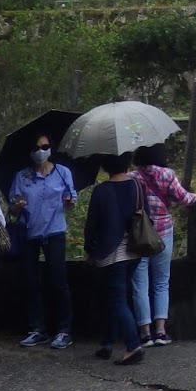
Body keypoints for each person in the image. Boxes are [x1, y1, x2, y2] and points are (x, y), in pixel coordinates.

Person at [10, 131, 78, 350]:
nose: (41, 152)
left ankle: (64, 329)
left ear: (51, 147)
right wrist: (17, 206)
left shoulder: (62, 172)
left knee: (58, 281)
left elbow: (72, 200)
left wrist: (69, 202)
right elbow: (12, 207)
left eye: (45, 146)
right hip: (29, 232)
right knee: (30, 281)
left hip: (55, 231)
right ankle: (36, 328)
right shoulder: (22, 176)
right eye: (36, 148)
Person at [131, 143, 196, 349]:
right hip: (163, 233)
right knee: (161, 282)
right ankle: (161, 330)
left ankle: (145, 333)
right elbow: (183, 199)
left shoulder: (132, 177)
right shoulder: (167, 174)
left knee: (139, 284)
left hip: (139, 236)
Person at [84, 153, 147, 366]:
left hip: (112, 253)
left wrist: (89, 250)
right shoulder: (138, 185)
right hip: (135, 250)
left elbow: (92, 225)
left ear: (104, 166)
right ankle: (107, 343)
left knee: (117, 299)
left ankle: (133, 345)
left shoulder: (101, 191)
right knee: (118, 297)